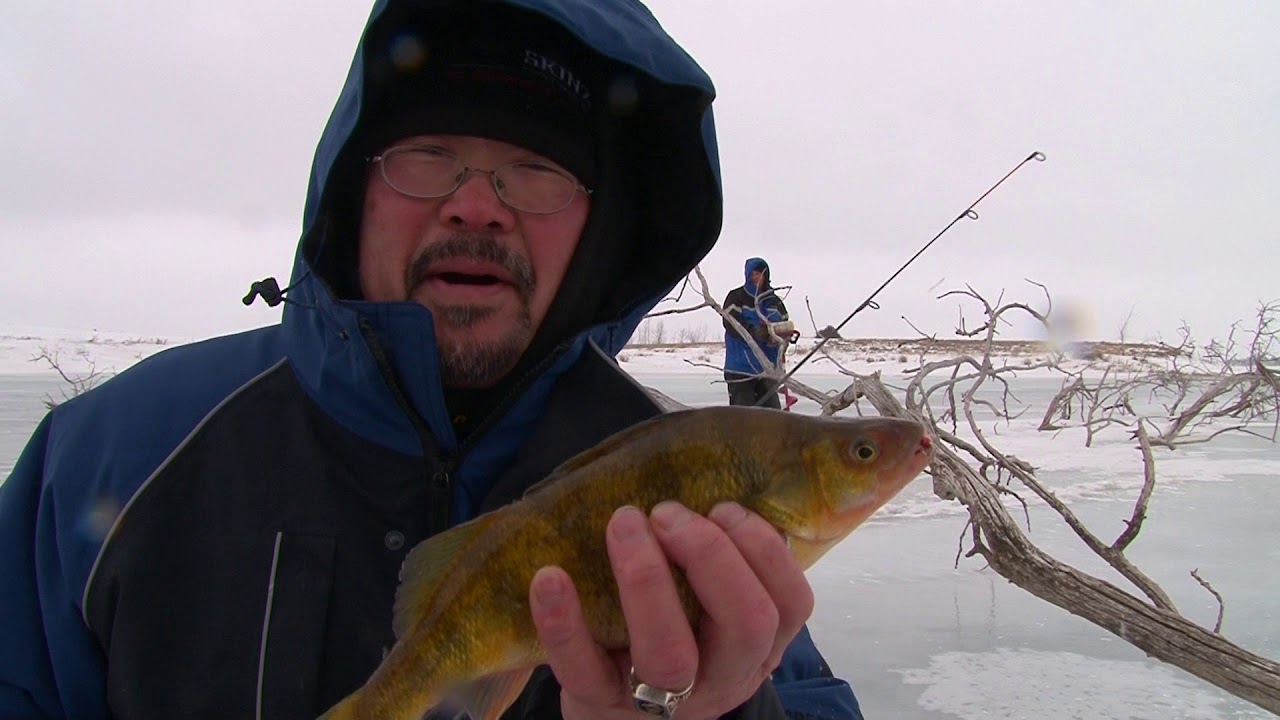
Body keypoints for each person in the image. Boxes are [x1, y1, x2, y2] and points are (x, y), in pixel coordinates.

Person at [0, 2, 865, 719]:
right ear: (352, 188)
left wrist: (729, 707)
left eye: (535, 170)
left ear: (597, 233)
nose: (477, 207)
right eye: (429, 157)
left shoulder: (678, 474)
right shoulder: (104, 461)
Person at [723, 257, 793, 408]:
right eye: (753, 274)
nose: (756, 278)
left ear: (766, 276)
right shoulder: (736, 297)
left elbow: (784, 324)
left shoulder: (775, 302)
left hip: (767, 369)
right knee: (743, 417)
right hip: (740, 369)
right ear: (747, 275)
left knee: (773, 415)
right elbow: (730, 322)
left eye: (760, 274)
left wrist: (783, 336)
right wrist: (753, 331)